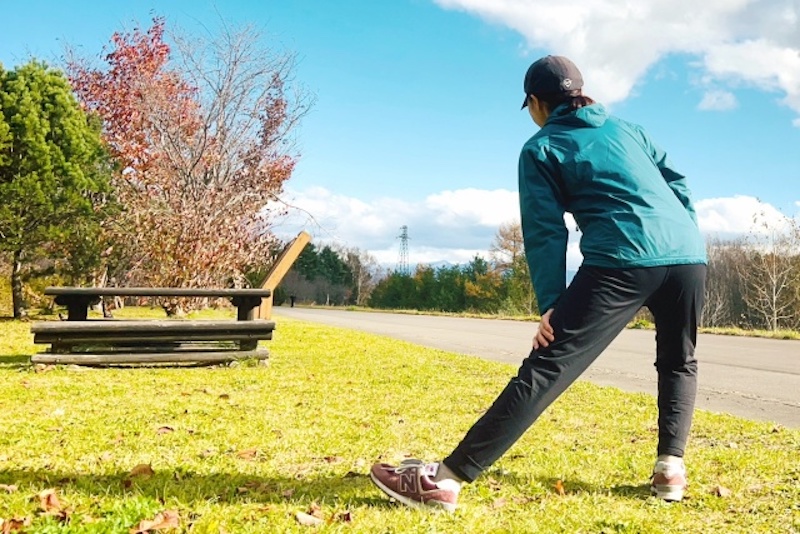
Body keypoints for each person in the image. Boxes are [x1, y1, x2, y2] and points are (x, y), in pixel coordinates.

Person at [369, 55, 707, 512]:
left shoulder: (540, 147)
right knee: (679, 360)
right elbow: (677, 184)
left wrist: (551, 302)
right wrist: (683, 232)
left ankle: (446, 480)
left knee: (548, 365)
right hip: (689, 256)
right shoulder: (629, 129)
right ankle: (670, 469)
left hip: (621, 258)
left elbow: (546, 231)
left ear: (535, 102)